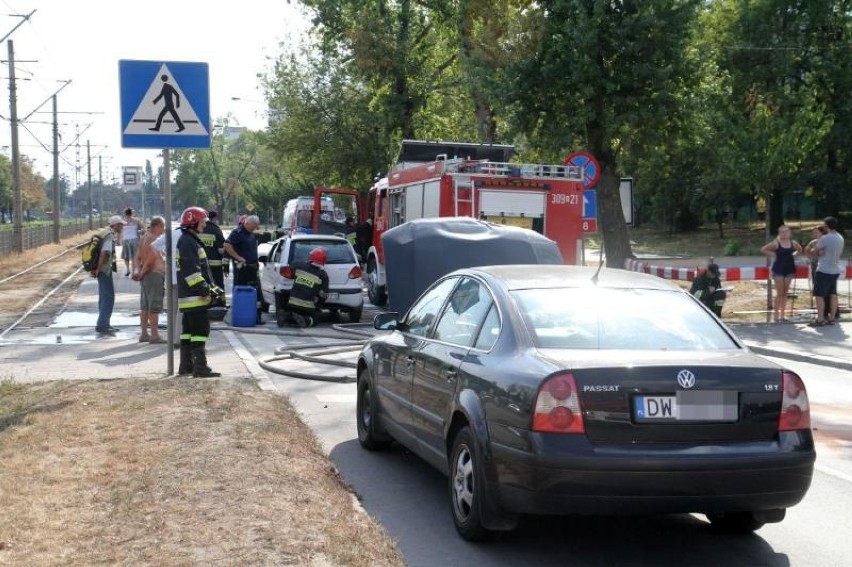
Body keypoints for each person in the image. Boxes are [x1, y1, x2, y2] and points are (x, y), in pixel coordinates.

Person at [177, 207, 223, 377]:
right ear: (193, 222)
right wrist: (206, 290)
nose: (205, 225)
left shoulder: (188, 240)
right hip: (195, 297)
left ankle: (186, 365)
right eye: (203, 222)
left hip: (190, 296)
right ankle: (200, 368)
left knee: (188, 331)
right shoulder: (188, 242)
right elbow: (193, 273)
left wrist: (212, 287)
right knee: (200, 331)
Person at [132, 216, 166, 343]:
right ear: (157, 226)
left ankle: (144, 334)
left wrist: (137, 271)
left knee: (145, 305)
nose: (163, 230)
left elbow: (137, 256)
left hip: (146, 276)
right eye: (162, 227)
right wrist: (142, 272)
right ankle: (155, 335)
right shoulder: (154, 239)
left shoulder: (144, 237)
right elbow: (151, 260)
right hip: (154, 275)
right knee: (154, 305)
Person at [224, 214, 263, 324]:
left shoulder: (250, 234)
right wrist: (238, 257)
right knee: (241, 291)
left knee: (256, 293)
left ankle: (256, 316)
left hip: (253, 267)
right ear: (247, 223)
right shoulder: (238, 232)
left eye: (256, 227)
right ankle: (241, 314)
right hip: (242, 269)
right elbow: (227, 245)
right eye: (253, 226)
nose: (254, 229)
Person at [761, 225, 803, 323]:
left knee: (785, 293)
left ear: (790, 233)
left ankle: (783, 315)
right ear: (779, 233)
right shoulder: (776, 243)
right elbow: (763, 249)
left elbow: (800, 249)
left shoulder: (793, 243)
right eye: (782, 232)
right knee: (780, 293)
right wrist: (774, 254)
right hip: (778, 269)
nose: (784, 234)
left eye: (786, 231)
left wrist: (795, 255)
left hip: (789, 269)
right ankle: (776, 316)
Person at [91, 215, 125, 335]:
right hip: (104, 270)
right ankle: (103, 324)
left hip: (101, 269)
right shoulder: (109, 235)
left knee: (103, 296)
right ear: (114, 225)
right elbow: (104, 253)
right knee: (108, 297)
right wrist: (99, 269)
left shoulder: (104, 233)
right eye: (120, 224)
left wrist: (96, 269)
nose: (122, 226)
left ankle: (103, 323)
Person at [810, 216, 845, 327]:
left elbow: (815, 251)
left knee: (819, 295)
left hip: (824, 269)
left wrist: (814, 250)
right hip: (835, 269)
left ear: (826, 226)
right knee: (833, 294)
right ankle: (832, 318)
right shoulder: (840, 237)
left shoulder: (825, 238)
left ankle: (820, 319)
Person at [286, 247, 329, 328]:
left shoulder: (300, 265)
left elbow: (291, 265)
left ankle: (285, 316)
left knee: (294, 315)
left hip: (292, 302)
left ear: (311, 257)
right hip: (307, 306)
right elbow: (323, 294)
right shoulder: (323, 275)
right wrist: (319, 305)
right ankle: (306, 321)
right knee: (315, 319)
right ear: (324, 261)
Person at [805, 225, 832, 320]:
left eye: (817, 232)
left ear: (822, 233)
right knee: (818, 290)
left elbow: (823, 253)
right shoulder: (813, 242)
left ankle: (827, 312)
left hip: (825, 268)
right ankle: (821, 312)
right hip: (815, 267)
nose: (814, 234)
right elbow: (807, 251)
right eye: (814, 232)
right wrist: (811, 254)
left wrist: (815, 252)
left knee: (826, 291)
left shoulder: (826, 242)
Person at [199, 210, 227, 294]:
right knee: (217, 284)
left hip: (201, 264)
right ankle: (219, 303)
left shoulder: (199, 229)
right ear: (214, 218)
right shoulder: (216, 230)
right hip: (215, 265)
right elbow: (221, 250)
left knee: (205, 284)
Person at [122, 207, 145, 277]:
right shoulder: (136, 220)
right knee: (134, 256)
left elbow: (119, 231)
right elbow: (143, 229)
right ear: (132, 213)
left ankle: (128, 270)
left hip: (125, 240)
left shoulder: (122, 221)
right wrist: (139, 232)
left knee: (126, 256)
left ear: (125, 213)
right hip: (134, 240)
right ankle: (133, 270)